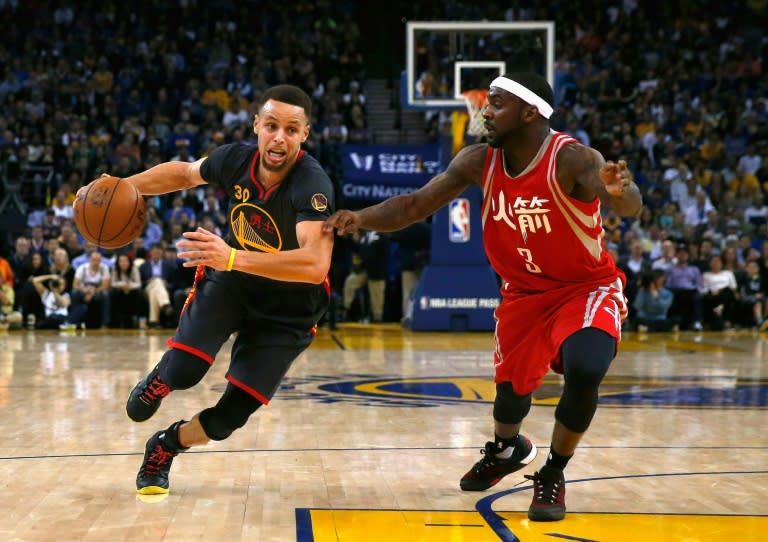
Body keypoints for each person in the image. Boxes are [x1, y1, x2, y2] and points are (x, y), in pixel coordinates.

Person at [324, 72, 641, 522]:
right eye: (486, 103)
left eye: (495, 104)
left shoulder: (570, 158)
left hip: (583, 288)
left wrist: (620, 193)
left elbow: (627, 203)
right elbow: (415, 205)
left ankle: (553, 470)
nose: (484, 112)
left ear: (529, 112)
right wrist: (358, 218)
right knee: (509, 396)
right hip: (523, 295)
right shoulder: (478, 160)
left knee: (586, 367)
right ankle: (508, 448)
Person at [79, 85, 334, 495]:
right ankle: (159, 381)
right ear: (257, 125)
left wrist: (231, 257)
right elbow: (182, 173)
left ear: (304, 134)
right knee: (184, 370)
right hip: (234, 281)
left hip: (289, 307)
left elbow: (314, 264)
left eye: (291, 129)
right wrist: (116, 189)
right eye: (271, 126)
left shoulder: (313, 185)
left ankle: (165, 446)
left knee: (228, 418)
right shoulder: (234, 160)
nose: (279, 137)